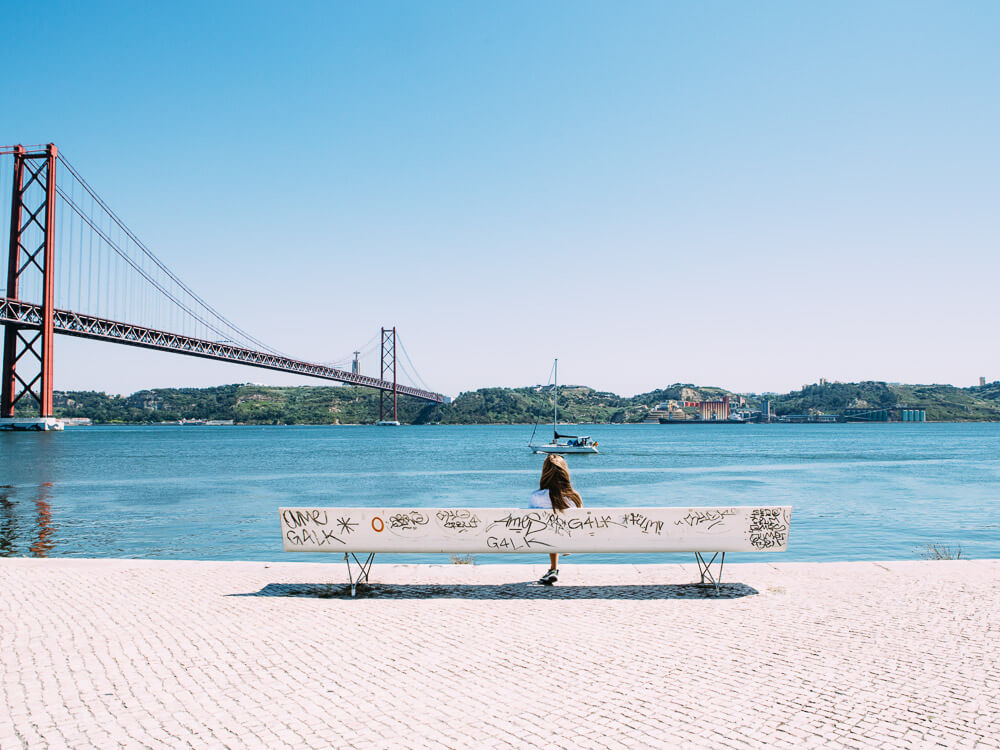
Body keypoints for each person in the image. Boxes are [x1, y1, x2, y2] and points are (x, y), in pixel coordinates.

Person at [529, 454, 583, 585]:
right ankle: (554, 566)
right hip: (571, 537)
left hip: (544, 538)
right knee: (556, 530)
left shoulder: (537, 496)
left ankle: (553, 568)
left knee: (550, 531)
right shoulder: (575, 497)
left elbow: (530, 521)